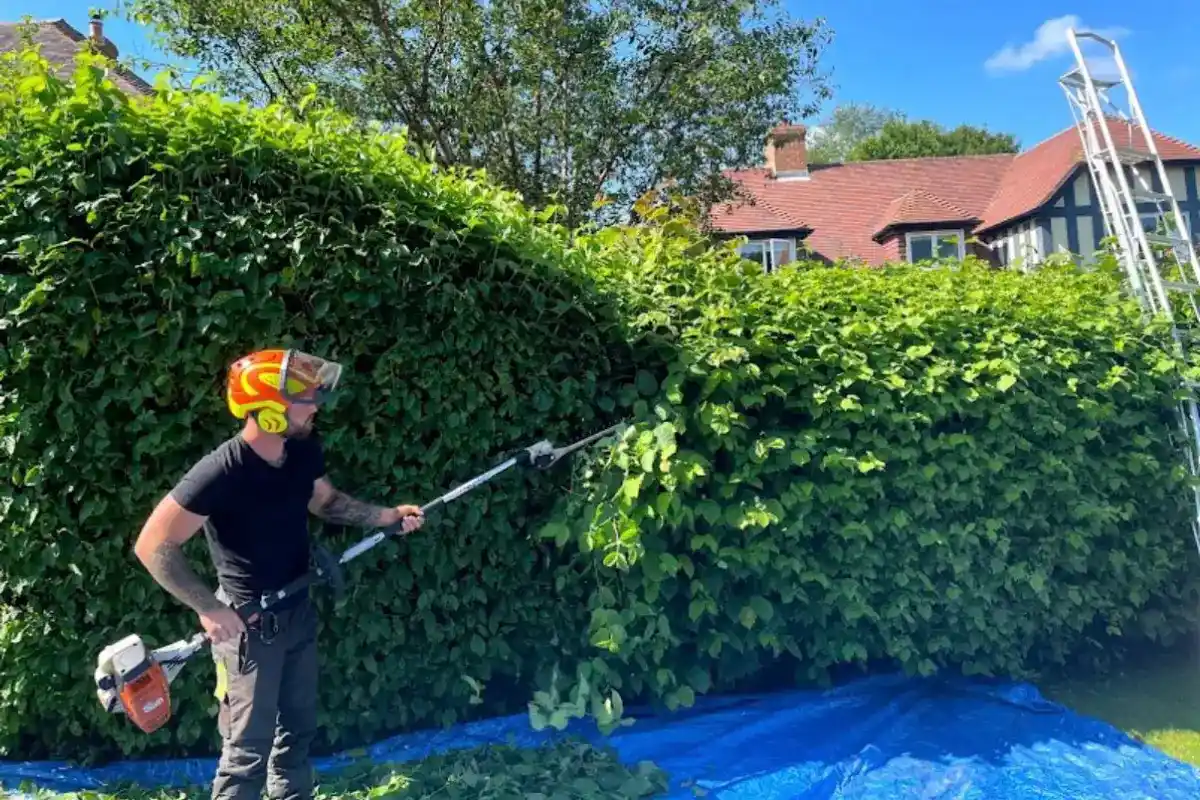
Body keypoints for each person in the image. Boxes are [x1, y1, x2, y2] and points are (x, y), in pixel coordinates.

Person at [133, 348, 424, 800]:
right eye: (305, 400)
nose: (316, 407)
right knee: (247, 751)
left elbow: (325, 502)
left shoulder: (300, 450)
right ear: (268, 411)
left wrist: (386, 516)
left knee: (297, 737)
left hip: (297, 613)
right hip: (249, 627)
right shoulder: (222, 470)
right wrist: (209, 608)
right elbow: (153, 544)